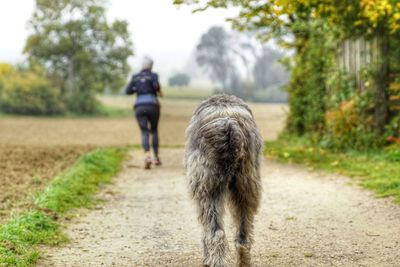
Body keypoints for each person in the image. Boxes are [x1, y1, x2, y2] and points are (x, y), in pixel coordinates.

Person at [125, 56, 163, 169]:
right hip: (152, 105)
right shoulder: (153, 76)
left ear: (142, 65)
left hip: (139, 106)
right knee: (154, 130)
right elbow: (157, 87)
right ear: (151, 66)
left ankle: (147, 156)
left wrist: (137, 89)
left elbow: (127, 91)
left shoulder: (135, 77)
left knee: (144, 132)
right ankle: (156, 158)